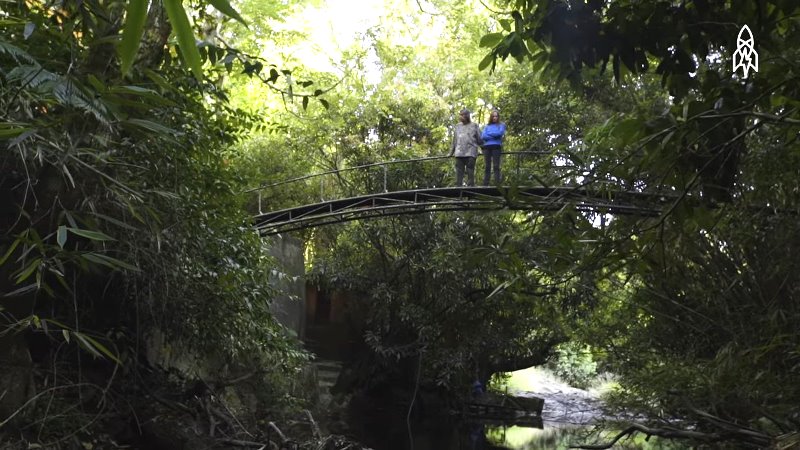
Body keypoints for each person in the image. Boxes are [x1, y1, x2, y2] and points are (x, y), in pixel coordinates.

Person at [449, 109, 483, 186]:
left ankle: (470, 189)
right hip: (459, 152)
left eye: (462, 115)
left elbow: (480, 139)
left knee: (470, 171)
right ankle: (458, 189)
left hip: (470, 152)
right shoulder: (458, 126)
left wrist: (484, 149)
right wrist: (451, 152)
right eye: (460, 115)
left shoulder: (474, 125)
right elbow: (455, 140)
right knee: (459, 172)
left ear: (467, 116)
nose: (461, 117)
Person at [480, 109, 506, 186]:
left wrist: (490, 134)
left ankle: (497, 184)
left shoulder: (501, 125)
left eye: (496, 116)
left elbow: (500, 133)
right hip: (487, 147)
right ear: (491, 117)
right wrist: (494, 135)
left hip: (496, 146)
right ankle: (485, 184)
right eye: (493, 116)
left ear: (498, 117)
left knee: (496, 165)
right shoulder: (487, 126)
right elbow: (483, 136)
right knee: (487, 166)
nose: (495, 118)